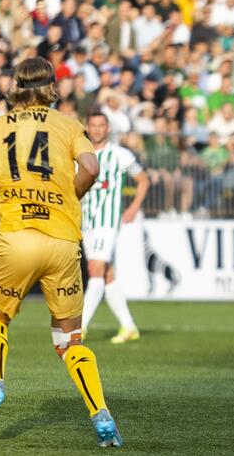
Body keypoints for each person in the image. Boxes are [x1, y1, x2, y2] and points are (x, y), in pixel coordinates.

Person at [0, 57, 122, 447]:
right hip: (62, 240)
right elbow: (90, 166)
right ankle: (99, 411)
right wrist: (68, 196)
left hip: (17, 237)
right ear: (51, 87)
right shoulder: (70, 126)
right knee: (70, 339)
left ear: (15, 86)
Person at [80, 110, 150, 344]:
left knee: (95, 269)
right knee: (107, 274)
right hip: (86, 222)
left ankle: (80, 328)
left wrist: (133, 208)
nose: (98, 129)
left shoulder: (120, 155)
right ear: (87, 127)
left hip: (107, 222)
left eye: (102, 125)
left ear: (107, 128)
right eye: (94, 125)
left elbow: (143, 180)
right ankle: (129, 327)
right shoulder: (81, 156)